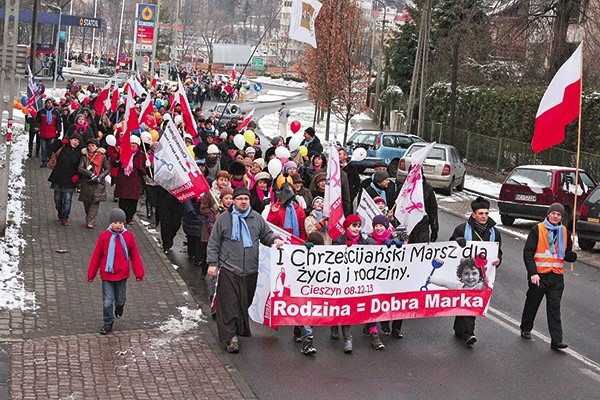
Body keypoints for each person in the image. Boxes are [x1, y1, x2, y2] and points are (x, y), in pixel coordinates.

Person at [207, 186, 284, 353]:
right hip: (229, 269)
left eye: (246, 199)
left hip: (250, 270)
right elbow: (214, 243)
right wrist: (212, 263)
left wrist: (275, 240)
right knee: (229, 305)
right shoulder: (224, 220)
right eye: (240, 199)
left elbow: (266, 235)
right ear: (234, 201)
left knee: (244, 303)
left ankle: (236, 330)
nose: (243, 202)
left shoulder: (256, 218)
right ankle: (231, 338)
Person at [519, 202, 577, 350]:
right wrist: (532, 273)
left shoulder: (564, 231)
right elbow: (528, 253)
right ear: (548, 214)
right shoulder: (537, 229)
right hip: (539, 275)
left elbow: (566, 254)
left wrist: (571, 256)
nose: (556, 216)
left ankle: (556, 340)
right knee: (532, 304)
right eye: (553, 213)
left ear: (561, 217)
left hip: (556, 277)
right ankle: (526, 328)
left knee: (554, 308)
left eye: (559, 215)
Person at [448, 196, 502, 347]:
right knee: (467, 300)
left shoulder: (494, 233)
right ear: (474, 215)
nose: (484, 216)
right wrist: (457, 242)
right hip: (466, 273)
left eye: (486, 213)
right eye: (481, 213)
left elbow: (499, 252)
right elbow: (450, 248)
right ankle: (468, 333)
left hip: (483, 274)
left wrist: (498, 260)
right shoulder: (461, 229)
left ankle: (461, 330)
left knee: (472, 302)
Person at [87, 208, 144, 335]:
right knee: (107, 301)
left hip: (122, 274)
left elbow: (134, 255)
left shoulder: (128, 236)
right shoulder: (104, 237)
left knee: (120, 299)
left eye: (120, 223)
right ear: (110, 223)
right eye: (115, 222)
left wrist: (139, 273)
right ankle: (108, 322)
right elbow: (96, 256)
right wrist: (91, 274)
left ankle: (120, 306)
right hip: (107, 274)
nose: (118, 225)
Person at [48, 134, 83, 225]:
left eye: (78, 142)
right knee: (57, 198)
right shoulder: (63, 147)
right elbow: (51, 147)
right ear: (70, 140)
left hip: (70, 180)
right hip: (58, 177)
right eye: (75, 140)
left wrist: (77, 176)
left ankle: (65, 217)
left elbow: (81, 166)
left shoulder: (79, 153)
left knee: (67, 200)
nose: (76, 143)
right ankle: (60, 211)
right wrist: (61, 142)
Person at [77, 138, 110, 229]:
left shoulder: (102, 156)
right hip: (87, 183)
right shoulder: (85, 156)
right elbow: (80, 168)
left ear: (96, 147)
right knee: (87, 202)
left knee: (95, 202)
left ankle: (91, 221)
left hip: (98, 183)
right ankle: (89, 217)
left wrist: (100, 177)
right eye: (89, 146)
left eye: (93, 146)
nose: (91, 147)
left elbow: (107, 169)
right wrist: (90, 174)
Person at [36, 98, 61, 168]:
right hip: (43, 133)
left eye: (50, 103)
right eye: (48, 103)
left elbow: (58, 122)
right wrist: (37, 129)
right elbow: (38, 121)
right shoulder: (41, 112)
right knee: (43, 148)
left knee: (50, 147)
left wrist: (59, 131)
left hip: (52, 133)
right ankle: (44, 161)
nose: (49, 104)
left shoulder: (56, 113)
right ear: (46, 103)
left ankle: (50, 160)